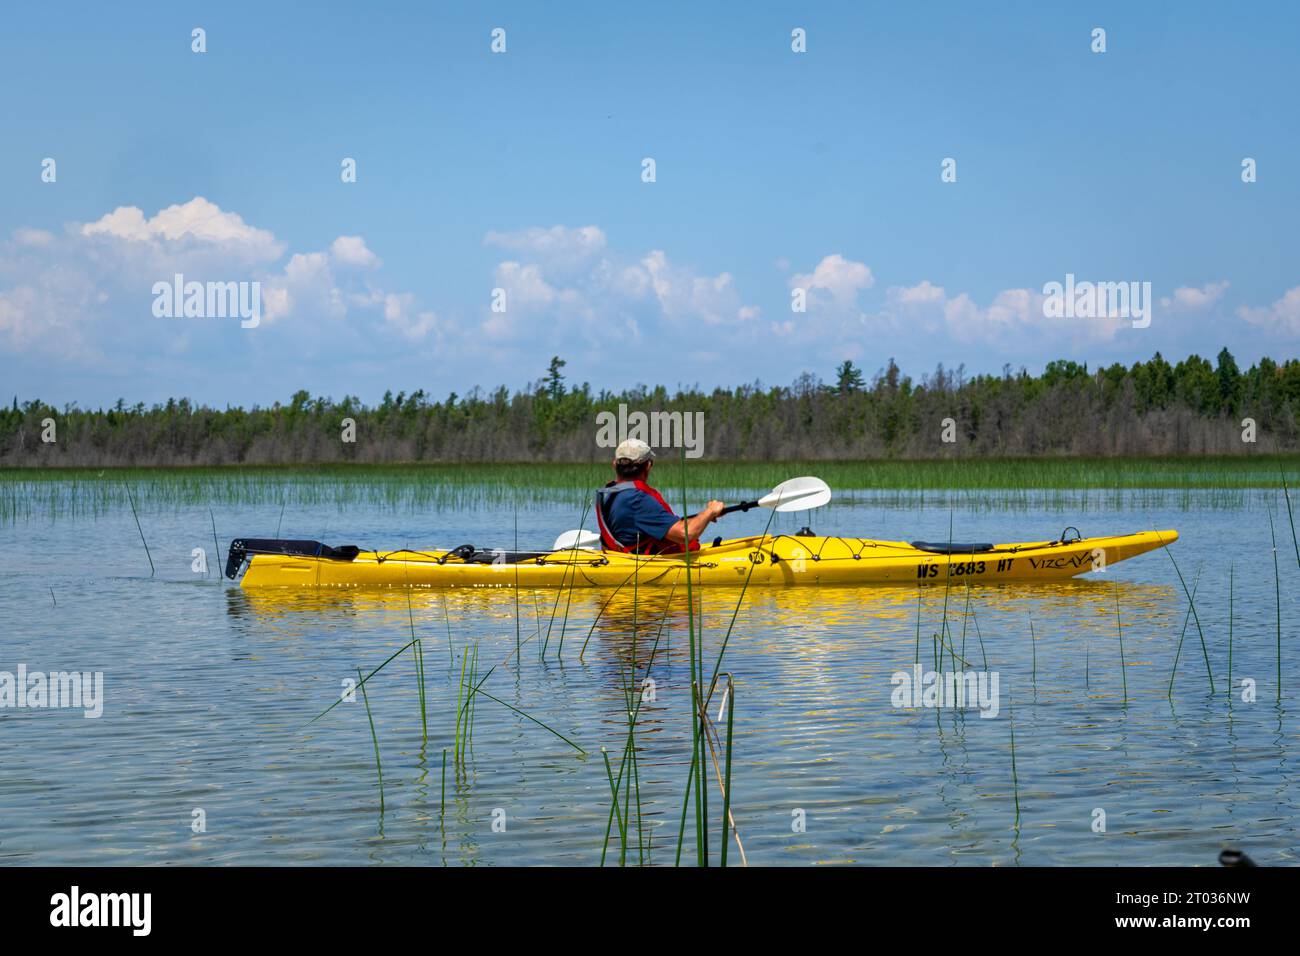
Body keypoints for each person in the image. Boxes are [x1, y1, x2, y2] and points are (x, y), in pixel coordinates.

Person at [594, 439, 725, 554]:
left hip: (620, 559)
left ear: (614, 464)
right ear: (648, 466)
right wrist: (710, 511)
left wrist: (702, 518)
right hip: (647, 566)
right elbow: (685, 534)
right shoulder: (637, 499)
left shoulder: (610, 493)